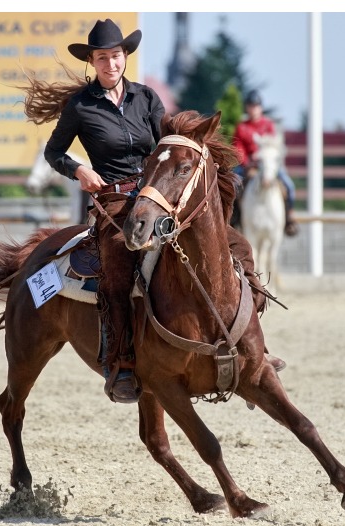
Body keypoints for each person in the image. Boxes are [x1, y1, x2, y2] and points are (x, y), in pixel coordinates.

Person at [22, 19, 285, 404]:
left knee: (238, 247)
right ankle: (122, 362)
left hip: (158, 195)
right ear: (92, 62)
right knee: (116, 269)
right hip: (113, 202)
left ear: (124, 57)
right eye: (102, 58)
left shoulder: (146, 98)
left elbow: (168, 143)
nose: (110, 64)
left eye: (116, 56)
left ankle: (252, 349)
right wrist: (79, 170)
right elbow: (53, 152)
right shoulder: (80, 106)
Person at [233, 90, 299, 237]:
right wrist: (248, 162)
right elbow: (238, 148)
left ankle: (289, 218)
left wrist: (265, 160)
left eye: (256, 106)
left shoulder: (268, 125)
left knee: (289, 186)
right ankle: (233, 218)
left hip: (268, 164)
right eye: (251, 106)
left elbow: (273, 146)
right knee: (232, 185)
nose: (254, 109)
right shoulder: (241, 127)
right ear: (247, 108)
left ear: (260, 107)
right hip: (248, 165)